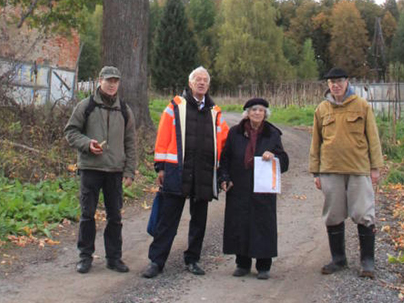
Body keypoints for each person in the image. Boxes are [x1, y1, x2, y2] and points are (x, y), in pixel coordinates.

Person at [142, 67, 228, 278]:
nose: (201, 83)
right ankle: (157, 261)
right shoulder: (175, 107)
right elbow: (163, 137)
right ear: (190, 84)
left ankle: (193, 259)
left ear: (208, 85)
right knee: (168, 218)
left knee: (199, 220)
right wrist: (160, 166)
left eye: (205, 80)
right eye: (197, 79)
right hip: (176, 171)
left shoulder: (215, 112)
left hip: (204, 172)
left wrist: (223, 171)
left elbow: (224, 142)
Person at [309, 66, 383, 278]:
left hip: (358, 170)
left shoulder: (361, 106)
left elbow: (373, 138)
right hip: (330, 170)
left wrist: (375, 167)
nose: (336, 85)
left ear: (347, 82)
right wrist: (315, 172)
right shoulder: (322, 110)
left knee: (363, 213)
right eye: (332, 82)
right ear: (328, 85)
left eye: (339, 81)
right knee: (333, 214)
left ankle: (367, 261)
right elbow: (316, 142)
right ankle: (338, 259)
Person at [64, 65, 137, 274]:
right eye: (108, 81)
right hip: (90, 169)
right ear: (100, 81)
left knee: (115, 217)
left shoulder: (124, 109)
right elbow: (71, 132)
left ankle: (114, 258)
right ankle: (85, 257)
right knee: (88, 214)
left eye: (115, 81)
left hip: (115, 171)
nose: (112, 85)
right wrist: (87, 144)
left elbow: (131, 142)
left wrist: (129, 171)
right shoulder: (85, 106)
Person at [219, 97, 289, 279]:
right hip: (239, 184)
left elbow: (284, 161)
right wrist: (224, 177)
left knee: (263, 224)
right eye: (254, 110)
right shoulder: (235, 133)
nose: (257, 113)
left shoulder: (272, 134)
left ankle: (264, 265)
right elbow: (225, 158)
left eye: (261, 110)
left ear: (265, 114)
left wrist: (273, 156)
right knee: (239, 222)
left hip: (263, 187)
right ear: (247, 113)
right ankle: (242, 263)